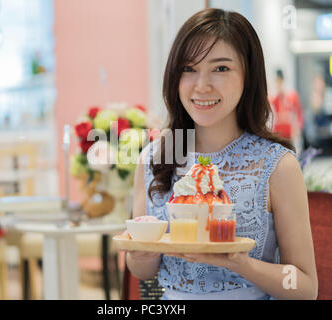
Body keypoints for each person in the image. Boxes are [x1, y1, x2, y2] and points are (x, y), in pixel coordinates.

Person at [127, 8, 318, 300]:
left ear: (248, 76)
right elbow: (142, 270)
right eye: (188, 69)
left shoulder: (278, 166)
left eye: (221, 68)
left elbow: (304, 287)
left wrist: (242, 264)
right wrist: (141, 254)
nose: (202, 86)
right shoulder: (153, 159)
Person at [270, 69, 305, 154]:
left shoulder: (292, 96)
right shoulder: (273, 98)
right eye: (276, 81)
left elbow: (299, 113)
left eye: (279, 81)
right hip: (277, 133)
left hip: (290, 133)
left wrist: (298, 128)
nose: (278, 83)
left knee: (291, 154)